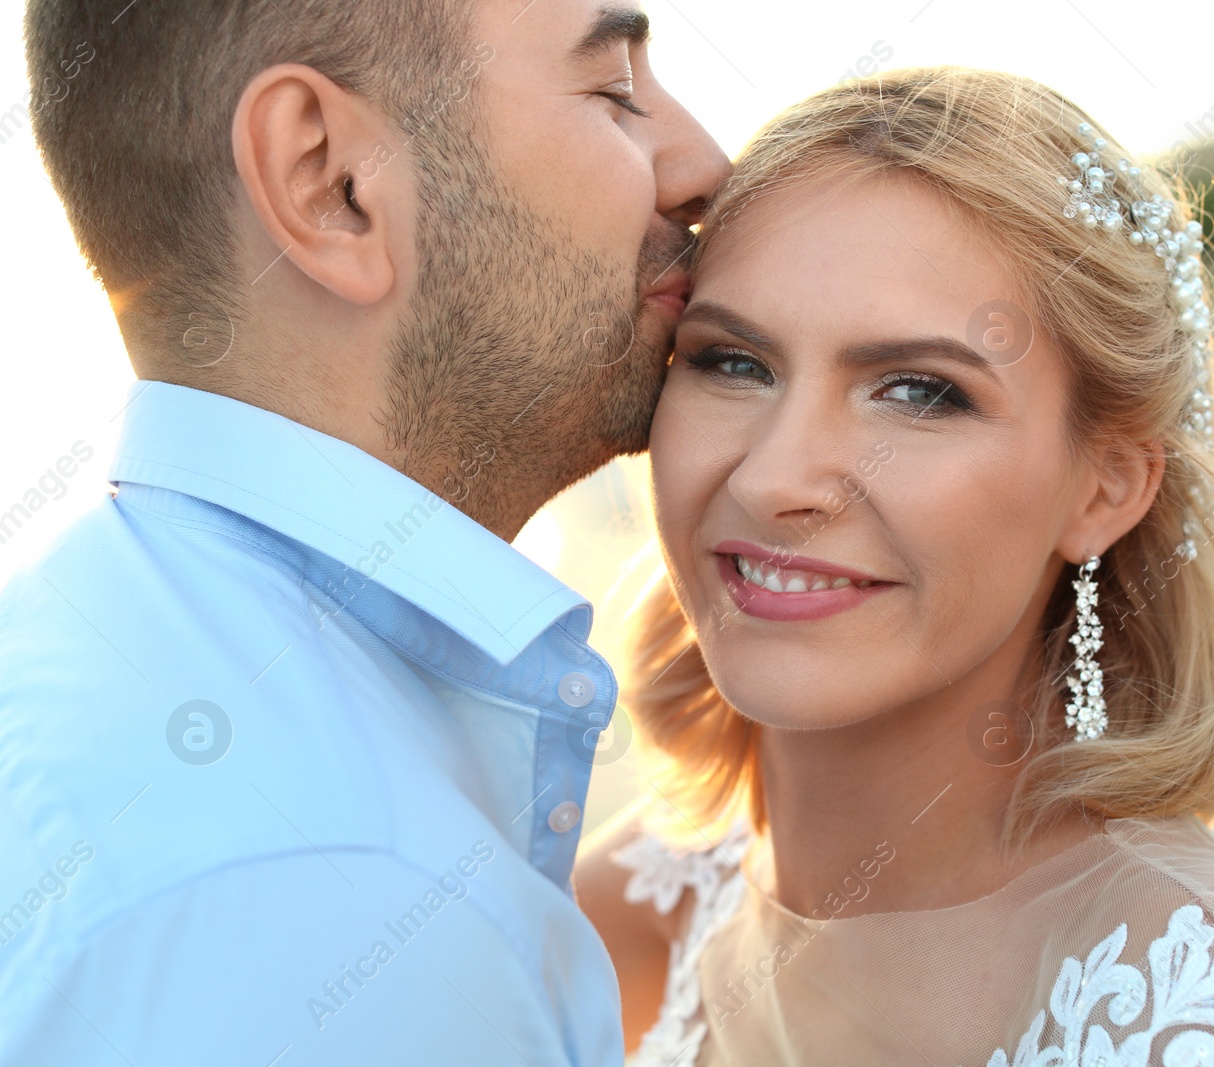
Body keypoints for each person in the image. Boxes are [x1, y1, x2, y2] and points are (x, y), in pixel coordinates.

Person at [575, 67, 1214, 1066]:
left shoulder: (1198, 1004)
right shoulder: (630, 909)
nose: (776, 475)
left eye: (918, 391)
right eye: (733, 363)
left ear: (1105, 486)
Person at [1, 2, 726, 1064]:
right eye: (613, 86)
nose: (704, 162)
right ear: (331, 183)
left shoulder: (81, 649)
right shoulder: (330, 893)